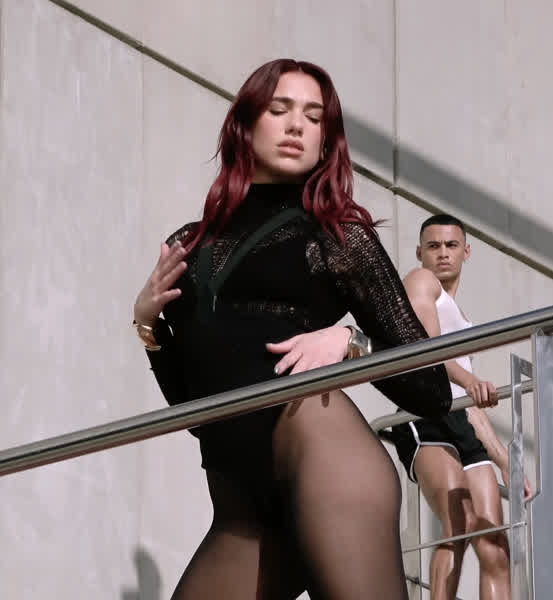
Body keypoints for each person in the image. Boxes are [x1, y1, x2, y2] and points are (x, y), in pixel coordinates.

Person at [133, 58, 452, 600]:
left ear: (326, 142)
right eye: (279, 109)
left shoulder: (337, 235)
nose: (296, 125)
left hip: (323, 454)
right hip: (241, 506)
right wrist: (148, 325)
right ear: (245, 123)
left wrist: (350, 342)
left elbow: (432, 389)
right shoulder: (188, 244)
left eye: (313, 116)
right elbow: (194, 407)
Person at [391, 214, 531, 600]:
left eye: (451, 246)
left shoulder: (463, 318)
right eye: (433, 246)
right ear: (419, 252)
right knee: (459, 522)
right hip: (427, 412)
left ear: (466, 252)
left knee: (494, 546)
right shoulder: (421, 281)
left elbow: (470, 405)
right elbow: (427, 349)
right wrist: (469, 380)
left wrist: (504, 460)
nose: (443, 254)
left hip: (461, 418)